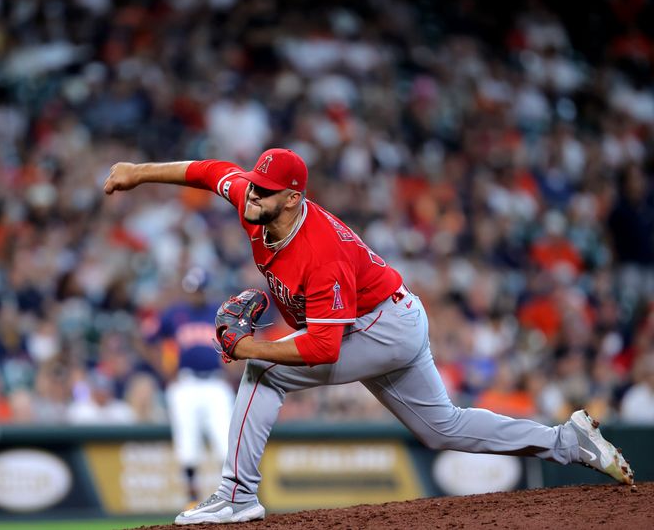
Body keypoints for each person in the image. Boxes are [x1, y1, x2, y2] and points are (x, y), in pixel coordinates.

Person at [104, 148, 635, 525]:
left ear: (292, 199)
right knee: (441, 427)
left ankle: (236, 495)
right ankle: (567, 442)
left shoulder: (321, 252)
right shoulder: (253, 196)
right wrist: (137, 172)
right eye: (254, 184)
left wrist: (249, 348)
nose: (251, 194)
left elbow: (321, 349)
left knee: (264, 370)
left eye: (264, 191)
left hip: (382, 326)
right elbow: (207, 170)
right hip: (387, 316)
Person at [143, 268, 235, 506]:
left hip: (215, 382)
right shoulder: (175, 314)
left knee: (225, 442)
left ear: (206, 289)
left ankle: (229, 496)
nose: (196, 294)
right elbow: (146, 338)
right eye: (192, 290)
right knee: (187, 441)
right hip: (185, 383)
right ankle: (192, 498)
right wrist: (163, 369)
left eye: (200, 289)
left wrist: (233, 370)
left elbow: (240, 343)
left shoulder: (220, 313)